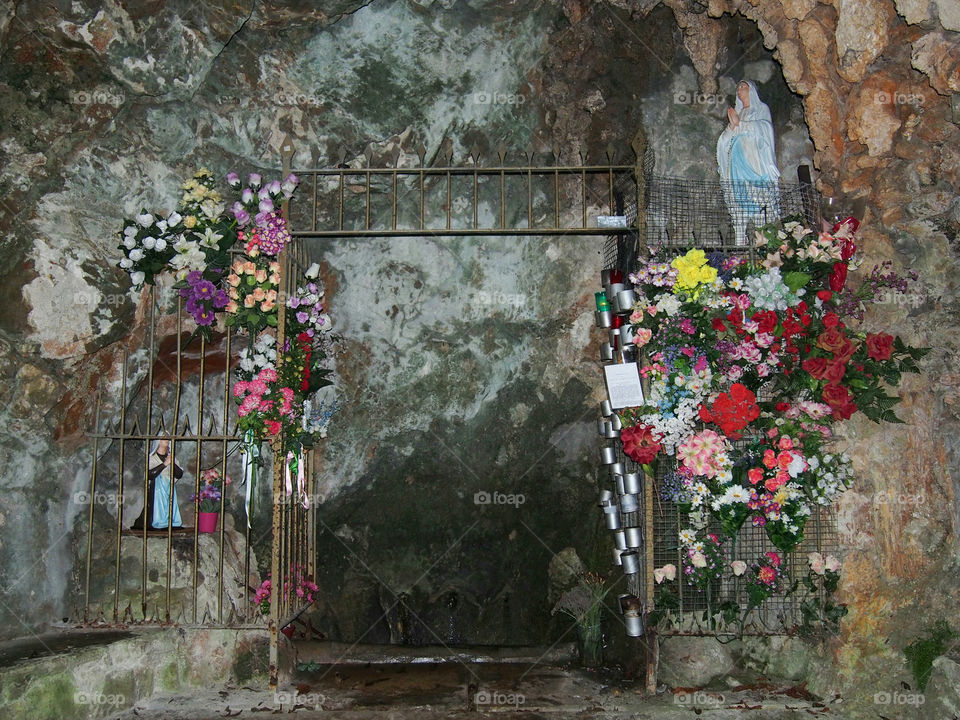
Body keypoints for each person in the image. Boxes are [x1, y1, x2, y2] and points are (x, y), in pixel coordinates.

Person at [716, 80, 781, 244]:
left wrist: (742, 125)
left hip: (754, 161)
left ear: (751, 90)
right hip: (736, 162)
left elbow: (766, 128)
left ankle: (764, 241)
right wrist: (732, 128)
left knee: (759, 198)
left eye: (743, 87)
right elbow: (725, 141)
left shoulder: (760, 109)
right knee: (738, 198)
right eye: (738, 87)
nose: (739, 90)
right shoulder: (738, 112)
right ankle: (740, 242)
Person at [131, 438, 184, 530]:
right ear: (158, 441)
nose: (166, 440)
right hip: (157, 488)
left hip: (169, 485)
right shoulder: (152, 458)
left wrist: (171, 463)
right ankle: (159, 521)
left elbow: (179, 474)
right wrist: (164, 464)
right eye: (163, 438)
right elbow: (150, 474)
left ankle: (170, 521)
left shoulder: (172, 458)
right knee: (158, 505)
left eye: (168, 439)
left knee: (170, 504)